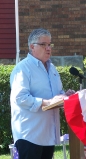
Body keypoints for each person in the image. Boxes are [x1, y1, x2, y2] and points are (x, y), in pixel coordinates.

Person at [10, 28, 75, 159]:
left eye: (49, 44)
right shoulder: (23, 68)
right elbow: (20, 97)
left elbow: (55, 95)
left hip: (47, 134)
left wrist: (65, 96)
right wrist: (47, 102)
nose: (48, 48)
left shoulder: (52, 68)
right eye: (43, 44)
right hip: (30, 135)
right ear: (32, 47)